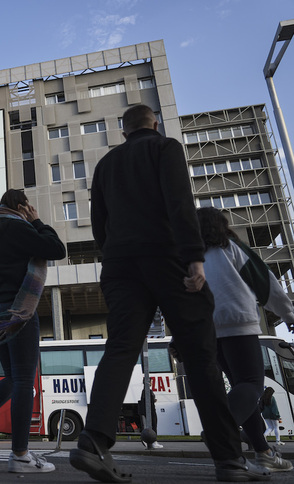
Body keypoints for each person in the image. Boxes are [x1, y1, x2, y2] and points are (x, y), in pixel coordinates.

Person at [69, 104, 270, 483]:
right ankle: (228, 459)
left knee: (121, 348)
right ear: (155, 125)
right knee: (199, 355)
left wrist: (114, 254)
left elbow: (100, 223)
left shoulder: (106, 164)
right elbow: (179, 202)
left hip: (120, 265)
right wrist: (194, 259)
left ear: (123, 130)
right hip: (167, 259)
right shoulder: (166, 148)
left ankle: (93, 441)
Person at [0, 189, 66, 474]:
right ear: (22, 206)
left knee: (11, 377)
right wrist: (38, 221)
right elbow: (57, 249)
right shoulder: (16, 226)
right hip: (17, 310)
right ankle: (20, 454)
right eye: (28, 207)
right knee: (23, 381)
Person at [196, 207, 292, 471]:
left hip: (209, 330)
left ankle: (263, 452)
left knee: (242, 389)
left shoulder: (192, 258)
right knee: (251, 384)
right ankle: (220, 429)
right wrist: (289, 314)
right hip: (238, 321)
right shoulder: (233, 249)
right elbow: (265, 282)